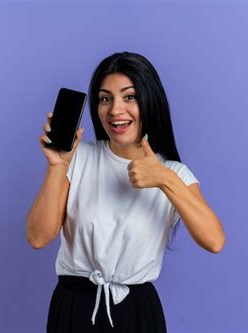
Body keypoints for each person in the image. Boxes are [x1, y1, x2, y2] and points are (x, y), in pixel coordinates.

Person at [27, 51, 225, 333]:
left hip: (136, 312)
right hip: (73, 307)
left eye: (129, 97)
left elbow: (214, 241)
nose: (115, 110)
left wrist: (164, 179)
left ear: (149, 101)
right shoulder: (77, 157)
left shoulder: (175, 174)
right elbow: (37, 237)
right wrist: (57, 167)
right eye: (105, 98)